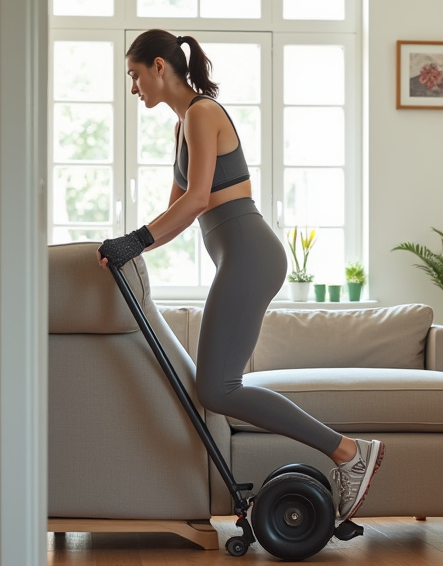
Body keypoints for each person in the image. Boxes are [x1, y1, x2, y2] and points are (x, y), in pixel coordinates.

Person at [96, 29, 383, 525]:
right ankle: (346, 451)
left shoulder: (203, 113)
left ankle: (349, 452)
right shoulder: (183, 125)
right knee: (216, 387)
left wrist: (133, 241)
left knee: (219, 388)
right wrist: (130, 249)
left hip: (250, 254)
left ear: (159, 66)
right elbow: (176, 214)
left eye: (135, 75)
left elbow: (197, 200)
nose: (134, 87)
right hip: (241, 257)